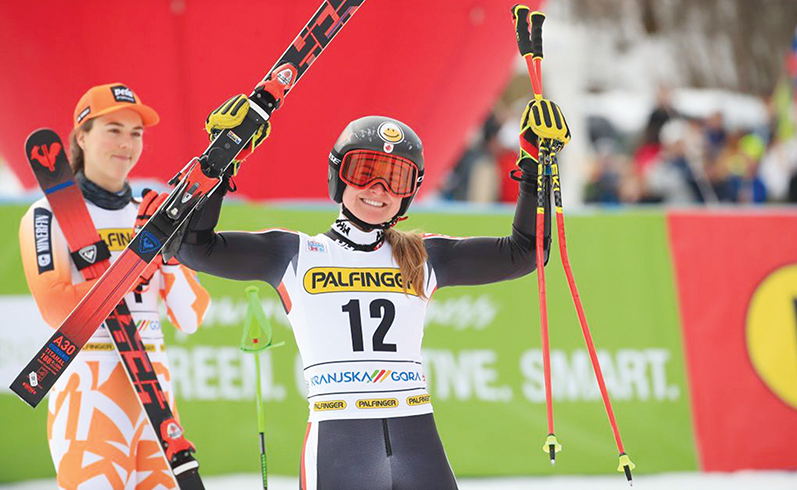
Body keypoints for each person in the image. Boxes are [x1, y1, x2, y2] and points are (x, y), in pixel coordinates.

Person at [177, 94, 570, 489]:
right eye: (364, 171)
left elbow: (525, 253)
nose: (378, 190)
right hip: (340, 441)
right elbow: (193, 248)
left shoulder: (422, 255)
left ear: (409, 191)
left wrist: (536, 167)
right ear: (338, 175)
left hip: (417, 437)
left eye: (394, 178)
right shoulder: (296, 254)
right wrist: (220, 159)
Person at [18, 83, 210, 489]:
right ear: (82, 136)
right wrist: (137, 259)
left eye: (136, 133)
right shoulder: (46, 214)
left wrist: (168, 251)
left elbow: (192, 317)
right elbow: (57, 309)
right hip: (89, 393)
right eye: (114, 130)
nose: (127, 144)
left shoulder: (151, 214)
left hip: (155, 394)